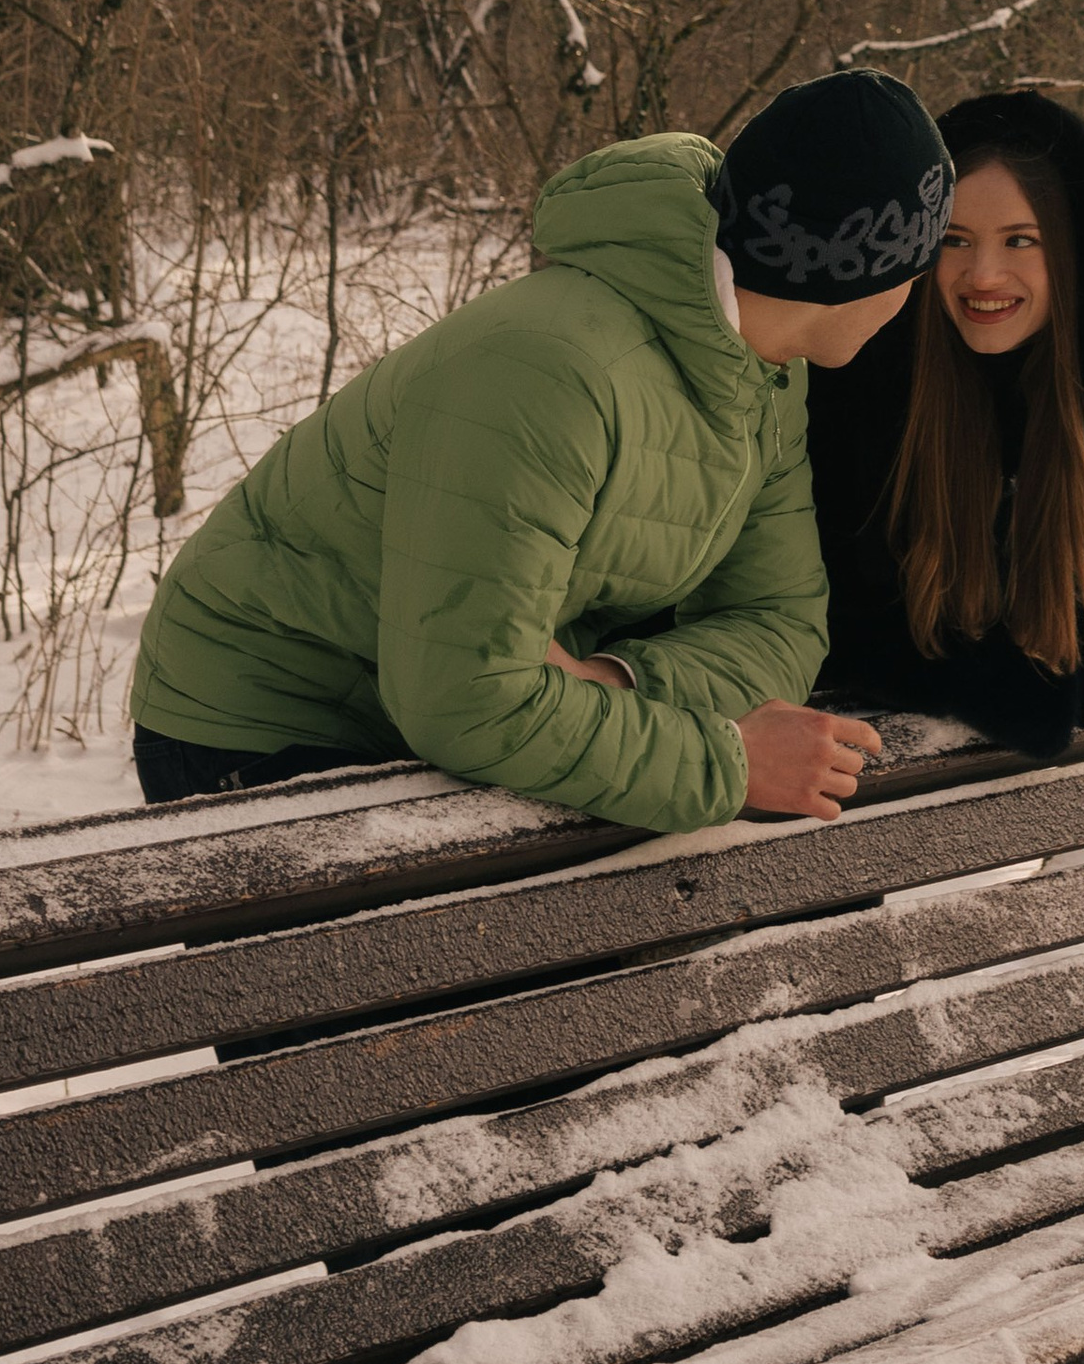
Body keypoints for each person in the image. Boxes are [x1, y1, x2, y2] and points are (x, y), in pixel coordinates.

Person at [129, 73, 953, 829]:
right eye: (922, 263)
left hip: (448, 714)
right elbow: (469, 701)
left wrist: (613, 683)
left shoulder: (762, 375)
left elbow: (781, 621)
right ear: (865, 270)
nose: (917, 296)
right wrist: (726, 761)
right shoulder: (548, 369)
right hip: (269, 723)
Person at [805, 88, 1084, 753]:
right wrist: (970, 684)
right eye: (955, 239)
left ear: (1075, 255)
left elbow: (1053, 619)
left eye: (1020, 240)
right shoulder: (850, 390)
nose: (983, 274)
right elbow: (820, 614)